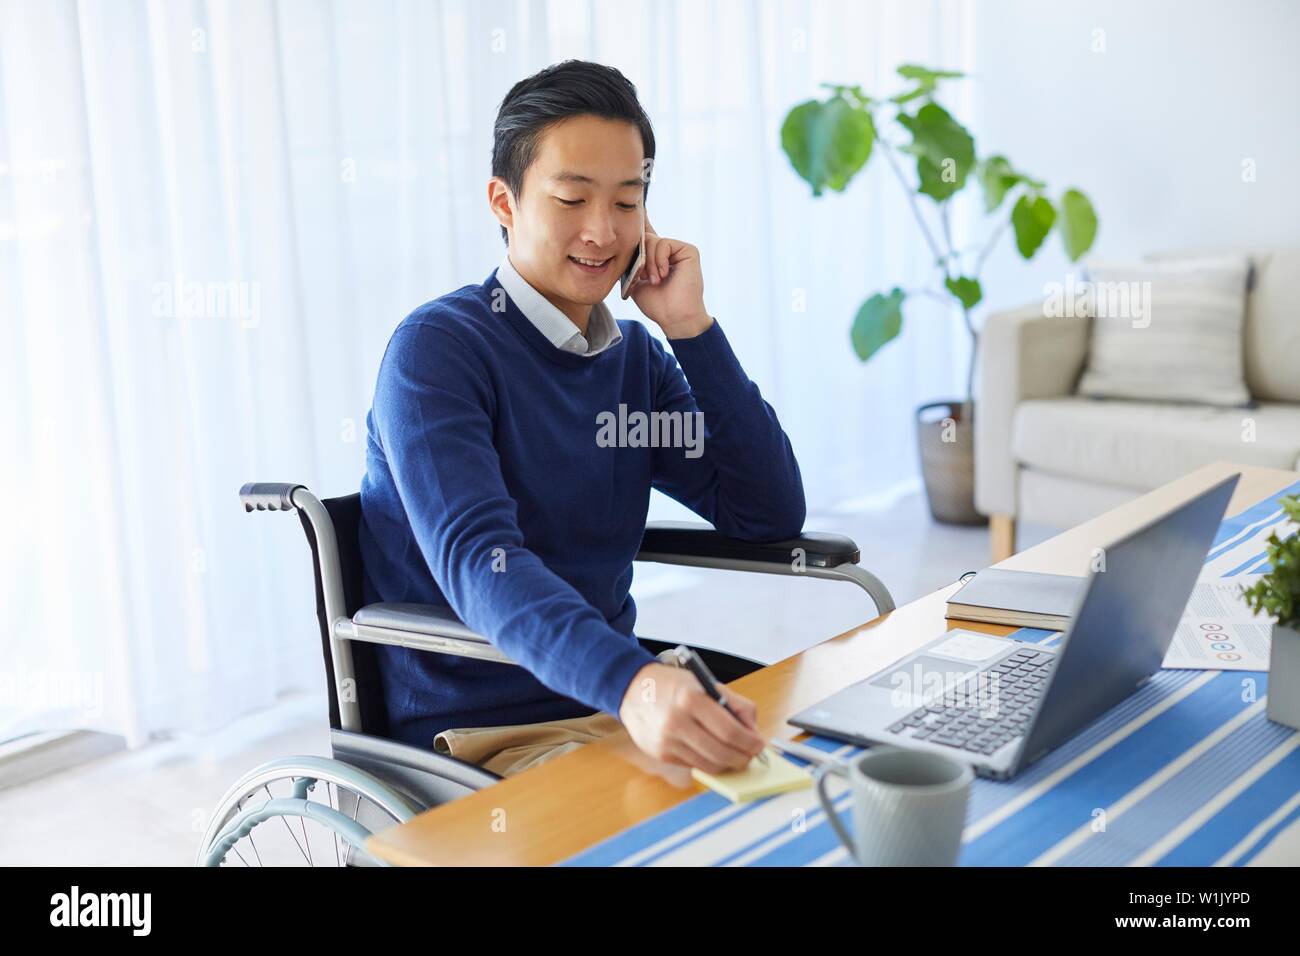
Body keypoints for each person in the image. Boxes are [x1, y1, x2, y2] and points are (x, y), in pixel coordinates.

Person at [359, 59, 806, 779]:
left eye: (628, 203)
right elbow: (482, 561)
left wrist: (690, 329)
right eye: (572, 198)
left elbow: (767, 510)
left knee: (817, 772)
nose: (602, 232)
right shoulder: (437, 352)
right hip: (486, 730)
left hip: (608, 702)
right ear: (504, 202)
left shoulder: (635, 361)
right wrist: (634, 682)